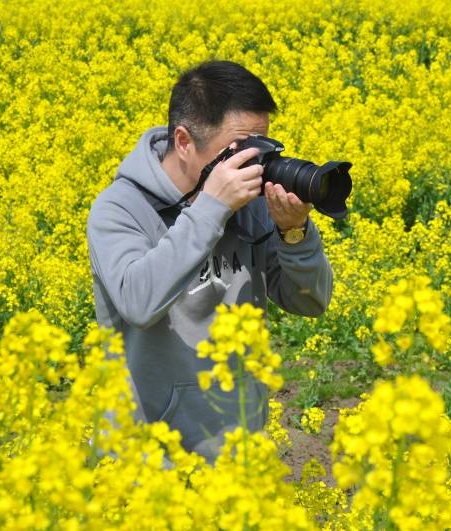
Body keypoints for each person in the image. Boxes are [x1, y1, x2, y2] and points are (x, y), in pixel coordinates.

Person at [86, 60, 334, 462]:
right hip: (149, 460)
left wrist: (294, 233)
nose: (252, 163)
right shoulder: (119, 208)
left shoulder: (248, 204)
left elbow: (311, 301)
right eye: (239, 149)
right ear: (183, 141)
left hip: (239, 450)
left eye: (262, 146)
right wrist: (210, 210)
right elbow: (138, 304)